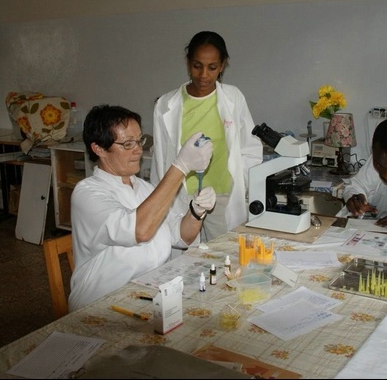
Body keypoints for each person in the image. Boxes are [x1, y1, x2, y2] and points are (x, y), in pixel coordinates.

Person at [68, 105, 216, 312]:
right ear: (99, 149)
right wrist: (181, 166)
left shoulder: (144, 188)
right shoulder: (87, 193)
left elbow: (181, 236)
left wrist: (196, 212)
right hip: (101, 303)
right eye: (128, 144)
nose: (138, 150)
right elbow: (139, 231)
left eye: (139, 141)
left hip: (145, 292)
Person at [151, 31, 263, 245]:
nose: (203, 75)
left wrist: (243, 185)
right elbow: (159, 159)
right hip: (182, 198)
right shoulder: (166, 104)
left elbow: (250, 148)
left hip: (223, 197)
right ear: (188, 63)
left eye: (212, 67)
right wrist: (160, 201)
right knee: (184, 257)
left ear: (222, 66)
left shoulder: (233, 97)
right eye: (197, 66)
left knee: (224, 256)